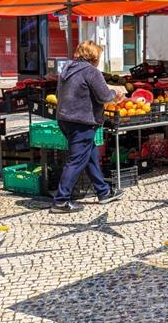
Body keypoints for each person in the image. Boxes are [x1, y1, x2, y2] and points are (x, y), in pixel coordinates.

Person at [51, 41, 125, 213]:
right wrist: (116, 93)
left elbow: (58, 94)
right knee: (76, 161)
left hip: (65, 119)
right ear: (94, 57)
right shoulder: (91, 71)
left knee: (90, 156)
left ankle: (103, 192)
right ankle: (61, 201)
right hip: (82, 122)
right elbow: (104, 96)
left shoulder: (67, 69)